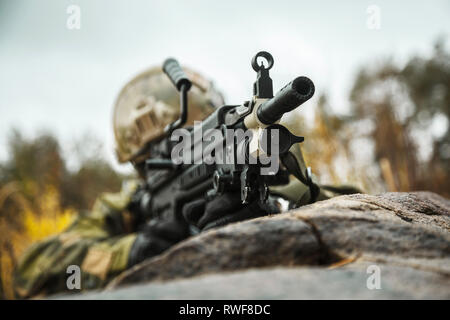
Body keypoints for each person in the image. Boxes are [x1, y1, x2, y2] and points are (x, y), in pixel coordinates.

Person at [13, 65, 357, 299]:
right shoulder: (127, 206)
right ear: (141, 166)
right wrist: (132, 252)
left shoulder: (268, 169)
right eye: (160, 156)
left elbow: (354, 205)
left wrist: (276, 209)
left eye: (192, 143)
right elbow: (32, 265)